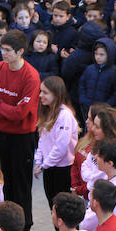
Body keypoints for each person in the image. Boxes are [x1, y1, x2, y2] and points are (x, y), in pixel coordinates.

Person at [0, 30, 41, 231]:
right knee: (0, 181)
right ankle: (4, 223)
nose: (2, 53)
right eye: (1, 48)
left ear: (20, 51)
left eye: (7, 50)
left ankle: (24, 227)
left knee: (20, 185)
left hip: (21, 137)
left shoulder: (31, 76)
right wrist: (4, 107)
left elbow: (20, 114)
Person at [34, 75, 79, 210]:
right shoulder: (47, 112)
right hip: (49, 167)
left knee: (63, 209)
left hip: (62, 168)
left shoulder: (65, 115)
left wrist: (44, 165)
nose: (41, 95)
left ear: (57, 94)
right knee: (53, 207)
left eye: (45, 92)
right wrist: (38, 161)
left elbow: (61, 146)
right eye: (40, 91)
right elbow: (42, 139)